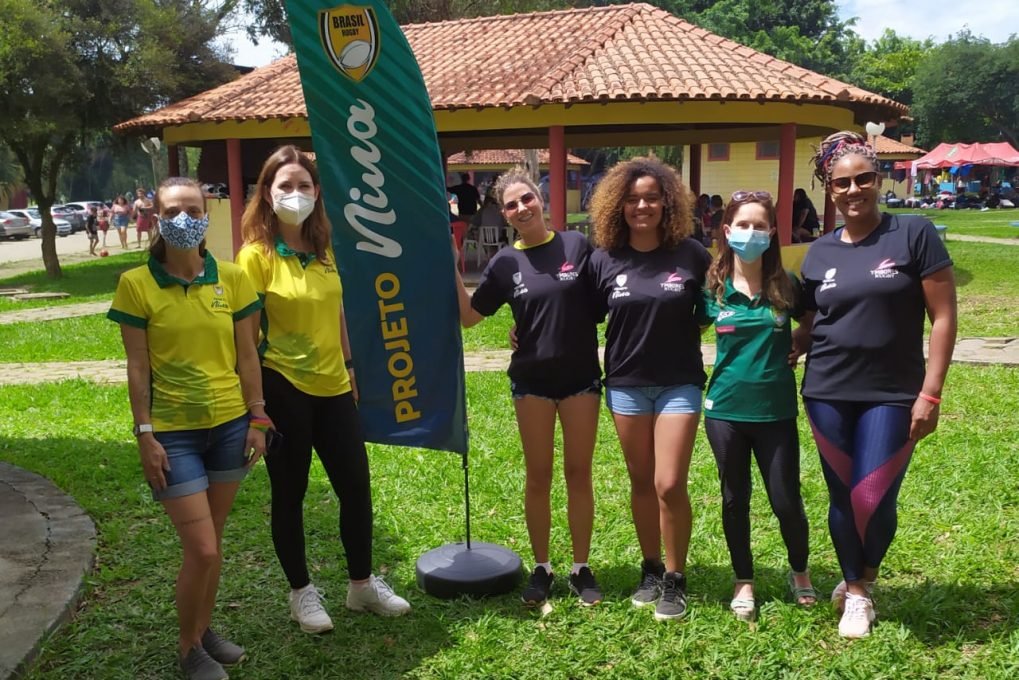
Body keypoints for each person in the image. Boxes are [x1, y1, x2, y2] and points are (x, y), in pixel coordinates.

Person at [235, 145, 410, 635]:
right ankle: (301, 593)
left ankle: (361, 585)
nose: (295, 194)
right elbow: (244, 340)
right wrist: (255, 407)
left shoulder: (324, 251)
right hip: (282, 385)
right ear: (267, 194)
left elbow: (337, 314)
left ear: (317, 192)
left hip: (334, 386)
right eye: (285, 186)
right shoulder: (254, 258)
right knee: (289, 493)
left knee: (355, 486)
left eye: (304, 185)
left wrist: (350, 366)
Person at [795, 131, 957, 638]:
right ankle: (856, 591)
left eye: (863, 179)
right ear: (829, 189)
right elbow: (810, 321)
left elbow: (944, 316)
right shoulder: (818, 253)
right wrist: (787, 343)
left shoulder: (913, 233)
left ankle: (864, 576)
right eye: (841, 183)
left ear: (878, 179)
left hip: (893, 392)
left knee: (873, 495)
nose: (853, 190)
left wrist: (931, 392)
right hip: (826, 390)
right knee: (842, 494)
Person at [107, 177, 268, 680]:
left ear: (207, 214)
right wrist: (144, 434)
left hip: (230, 427)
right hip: (173, 434)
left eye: (193, 210)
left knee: (213, 541)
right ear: (157, 217)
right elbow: (137, 367)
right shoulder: (136, 283)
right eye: (173, 211)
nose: (184, 219)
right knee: (202, 549)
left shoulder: (233, 278)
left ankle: (202, 628)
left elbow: (248, 355)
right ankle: (187, 647)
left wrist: (258, 417)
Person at [454, 167, 603, 607]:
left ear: (540, 200)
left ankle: (580, 567)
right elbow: (470, 317)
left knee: (579, 473)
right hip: (532, 383)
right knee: (538, 476)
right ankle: (542, 568)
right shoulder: (504, 263)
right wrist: (449, 265)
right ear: (504, 214)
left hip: (580, 381)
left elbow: (601, 304)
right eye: (511, 205)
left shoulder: (576, 246)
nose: (521, 208)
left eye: (527, 199)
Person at [587, 157, 711, 621]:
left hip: (680, 382)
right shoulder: (604, 259)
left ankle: (676, 578)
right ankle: (652, 569)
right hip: (626, 384)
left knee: (669, 482)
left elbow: (713, 310)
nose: (642, 206)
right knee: (641, 481)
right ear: (618, 205)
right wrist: (522, 330)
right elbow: (579, 315)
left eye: (652, 198)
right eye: (633, 199)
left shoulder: (692, 254)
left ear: (667, 203)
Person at [700, 190, 816, 622]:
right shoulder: (712, 289)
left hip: (775, 411)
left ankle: (800, 571)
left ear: (771, 233)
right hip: (725, 410)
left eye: (759, 226)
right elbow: (678, 329)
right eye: (743, 225)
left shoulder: (787, 285)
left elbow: (813, 319)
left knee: (786, 500)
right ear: (728, 231)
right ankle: (743, 579)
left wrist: (800, 341)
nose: (751, 233)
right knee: (735, 499)